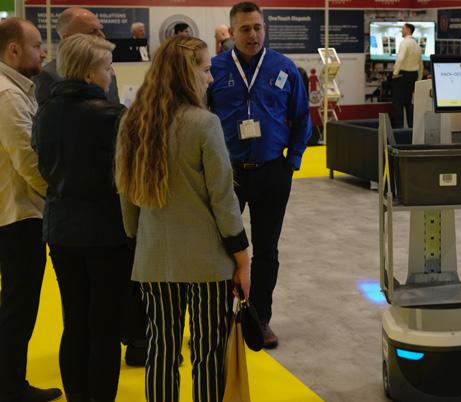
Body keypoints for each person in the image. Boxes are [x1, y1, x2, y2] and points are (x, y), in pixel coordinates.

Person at [115, 35, 251, 402]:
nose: (211, 78)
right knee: (208, 353)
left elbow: (127, 197)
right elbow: (224, 200)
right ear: (186, 72)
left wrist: (137, 240)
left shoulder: (132, 121)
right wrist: (242, 257)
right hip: (207, 262)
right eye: (205, 69)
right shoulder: (205, 124)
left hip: (153, 258)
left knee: (161, 349)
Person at [31, 33, 132, 402]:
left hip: (60, 229)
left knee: (74, 321)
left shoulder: (44, 112)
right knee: (104, 327)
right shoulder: (112, 117)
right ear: (90, 73)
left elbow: (42, 166)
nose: (111, 74)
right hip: (106, 233)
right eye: (107, 67)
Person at [207, 1, 311, 349]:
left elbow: (302, 118)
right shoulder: (215, 69)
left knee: (266, 250)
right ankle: (219, 319)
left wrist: (291, 162)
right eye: (245, 29)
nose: (253, 35)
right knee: (222, 249)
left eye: (258, 27)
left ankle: (260, 319)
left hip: (271, 173)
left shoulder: (284, 68)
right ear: (232, 32)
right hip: (227, 175)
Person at [0, 17, 62, 402]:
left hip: (19, 211)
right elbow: (28, 161)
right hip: (19, 216)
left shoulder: (16, 89)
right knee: (19, 306)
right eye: (37, 45)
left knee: (17, 304)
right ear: (14, 50)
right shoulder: (8, 96)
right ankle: (9, 386)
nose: (43, 53)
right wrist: (61, 196)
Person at [33, 7, 119, 105]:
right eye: (92, 31)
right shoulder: (48, 76)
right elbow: (48, 114)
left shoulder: (107, 70)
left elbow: (115, 107)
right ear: (67, 38)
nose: (102, 36)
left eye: (100, 29)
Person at [391, 23, 422, 128]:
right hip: (413, 76)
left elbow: (400, 59)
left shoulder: (404, 43)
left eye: (403, 28)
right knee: (409, 102)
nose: (401, 30)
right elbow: (420, 64)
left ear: (408, 30)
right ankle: (412, 128)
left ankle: (398, 128)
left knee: (398, 103)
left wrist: (395, 73)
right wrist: (419, 79)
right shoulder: (417, 45)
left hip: (402, 76)